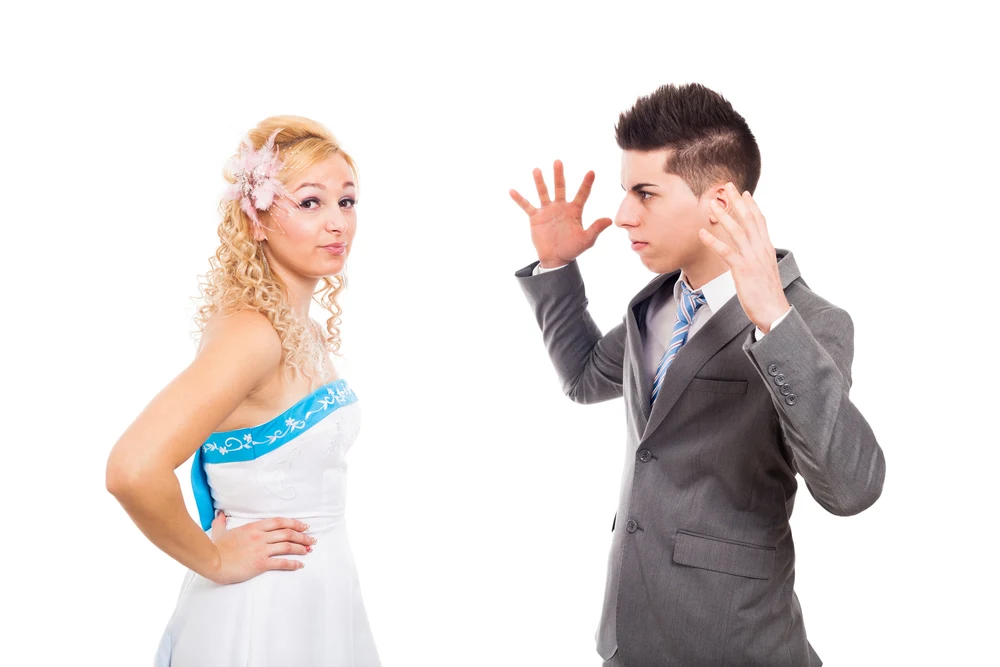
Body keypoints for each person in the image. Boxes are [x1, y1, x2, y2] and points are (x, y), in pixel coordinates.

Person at [509, 84, 886, 666]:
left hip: (736, 644)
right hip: (628, 638)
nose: (623, 215)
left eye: (646, 193)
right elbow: (584, 378)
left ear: (720, 202)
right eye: (624, 191)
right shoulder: (656, 306)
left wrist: (772, 322)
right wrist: (558, 266)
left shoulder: (810, 320)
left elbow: (851, 489)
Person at [106, 116, 381, 666]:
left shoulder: (297, 325)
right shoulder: (253, 333)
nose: (337, 224)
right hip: (263, 612)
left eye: (346, 202)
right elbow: (132, 469)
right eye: (310, 203)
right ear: (256, 221)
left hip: (318, 595)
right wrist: (214, 558)